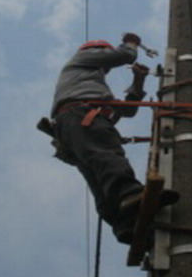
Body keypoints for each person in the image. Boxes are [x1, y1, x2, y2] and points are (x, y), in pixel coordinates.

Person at [49, 33, 177, 244]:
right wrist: (131, 43)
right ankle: (129, 193)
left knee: (97, 174)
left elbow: (127, 111)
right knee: (106, 155)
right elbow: (125, 55)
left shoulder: (87, 84)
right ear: (96, 51)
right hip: (80, 116)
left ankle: (124, 223)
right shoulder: (81, 60)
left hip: (71, 125)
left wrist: (138, 80)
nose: (106, 69)